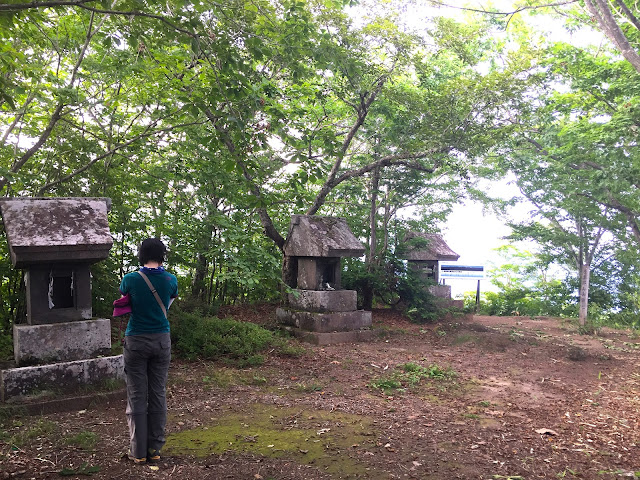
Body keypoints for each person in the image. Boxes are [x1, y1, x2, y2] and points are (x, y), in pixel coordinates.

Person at [119, 238, 178, 464]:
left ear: (141, 254)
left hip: (136, 340)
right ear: (162, 254)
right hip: (161, 339)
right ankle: (155, 449)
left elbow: (126, 300)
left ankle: (138, 452)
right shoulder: (170, 280)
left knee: (136, 395)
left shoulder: (131, 279)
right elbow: (167, 305)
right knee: (157, 393)